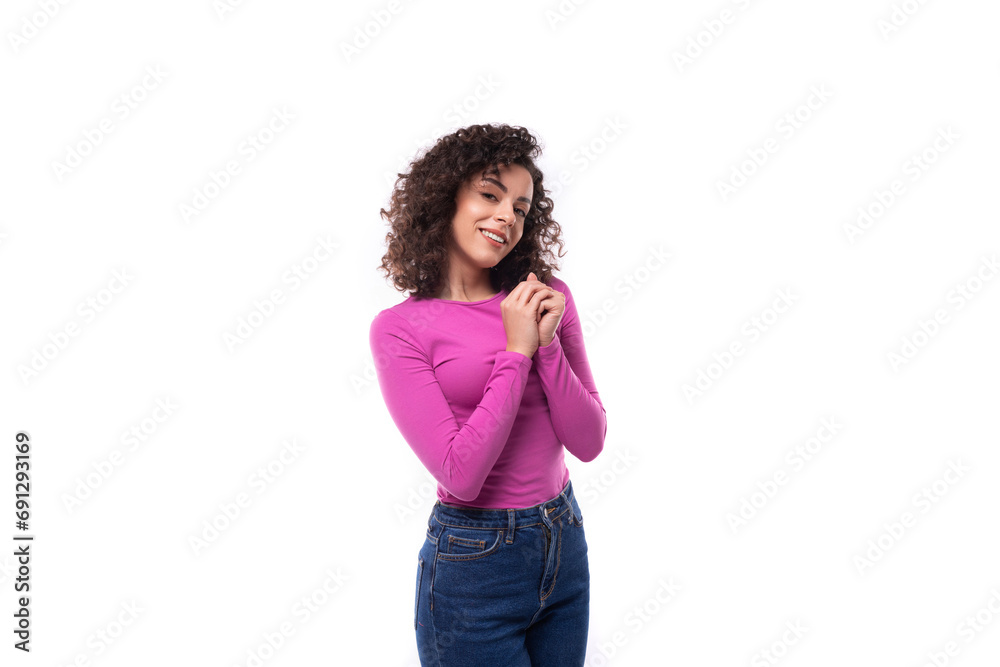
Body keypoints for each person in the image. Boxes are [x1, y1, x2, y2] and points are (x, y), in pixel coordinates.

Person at [369, 122, 608, 666]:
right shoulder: (401, 329)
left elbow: (589, 441)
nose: (507, 216)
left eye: (521, 208)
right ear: (445, 199)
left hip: (562, 539)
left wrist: (546, 348)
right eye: (490, 194)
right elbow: (460, 474)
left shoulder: (547, 298)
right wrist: (517, 353)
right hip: (474, 562)